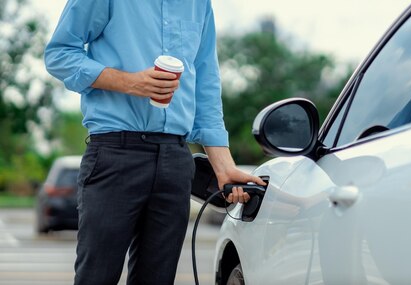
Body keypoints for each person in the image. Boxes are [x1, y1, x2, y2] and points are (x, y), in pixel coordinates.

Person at [44, 1, 264, 284]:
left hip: (175, 160)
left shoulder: (199, 5)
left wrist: (224, 166)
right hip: (114, 154)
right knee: (96, 278)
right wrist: (129, 82)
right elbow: (59, 54)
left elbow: (206, 82)